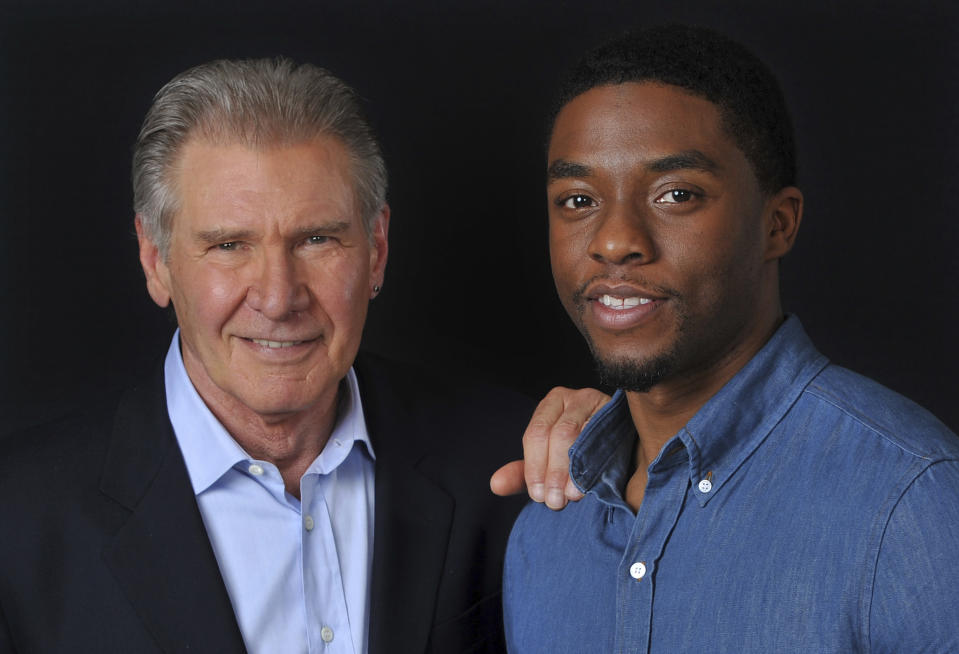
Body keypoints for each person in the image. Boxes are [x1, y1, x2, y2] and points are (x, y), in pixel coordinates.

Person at [0, 58, 540, 654]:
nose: (279, 298)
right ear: (156, 261)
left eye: (317, 240)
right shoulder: (17, 521)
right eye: (229, 245)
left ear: (377, 250)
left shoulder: (513, 461)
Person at [503, 25, 959, 653]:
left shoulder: (911, 505)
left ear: (778, 224)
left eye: (677, 194)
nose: (613, 241)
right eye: (578, 199)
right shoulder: (543, 534)